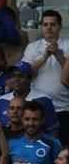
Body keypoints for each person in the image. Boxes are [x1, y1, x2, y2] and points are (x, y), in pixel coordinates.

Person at [22, 10, 69, 147]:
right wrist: (45, 56)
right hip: (37, 109)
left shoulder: (68, 45)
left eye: (53, 24)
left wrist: (59, 56)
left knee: (62, 149)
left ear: (60, 26)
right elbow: (26, 74)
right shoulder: (32, 47)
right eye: (45, 24)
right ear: (41, 27)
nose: (49, 27)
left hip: (64, 108)